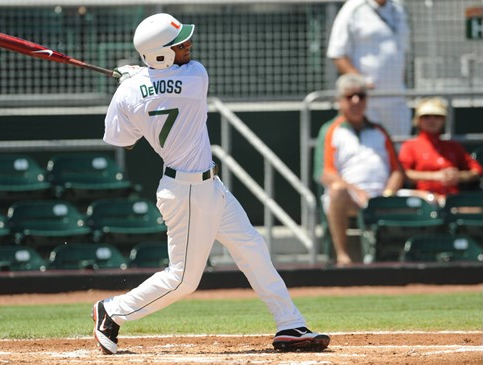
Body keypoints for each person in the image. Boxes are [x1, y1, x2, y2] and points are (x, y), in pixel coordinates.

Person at [92, 13, 330, 355]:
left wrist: (132, 86)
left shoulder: (129, 92)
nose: (188, 46)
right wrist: (141, 80)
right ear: (160, 54)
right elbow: (165, 86)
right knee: (183, 279)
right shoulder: (195, 75)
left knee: (252, 248)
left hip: (206, 186)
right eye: (178, 45)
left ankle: (289, 323)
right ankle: (112, 311)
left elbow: (122, 140)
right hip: (187, 191)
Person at [314, 73, 404, 266]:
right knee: (336, 190)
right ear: (339, 100)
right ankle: (342, 255)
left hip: (383, 196)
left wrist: (387, 194)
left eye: (361, 96)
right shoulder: (330, 130)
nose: (356, 101)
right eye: (349, 96)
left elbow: (397, 171)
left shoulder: (379, 130)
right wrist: (358, 192)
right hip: (351, 198)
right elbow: (326, 173)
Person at [327, 0, 411, 138]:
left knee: (398, 150)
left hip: (397, 100)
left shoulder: (399, 8)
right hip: (367, 103)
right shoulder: (353, 8)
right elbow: (337, 53)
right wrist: (361, 83)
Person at [398, 98, 483, 205]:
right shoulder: (410, 146)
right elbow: (403, 173)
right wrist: (435, 176)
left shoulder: (453, 146)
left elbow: (477, 170)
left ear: (443, 120)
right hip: (423, 200)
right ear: (418, 120)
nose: (432, 120)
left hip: (452, 199)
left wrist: (459, 176)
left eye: (437, 116)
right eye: (426, 117)